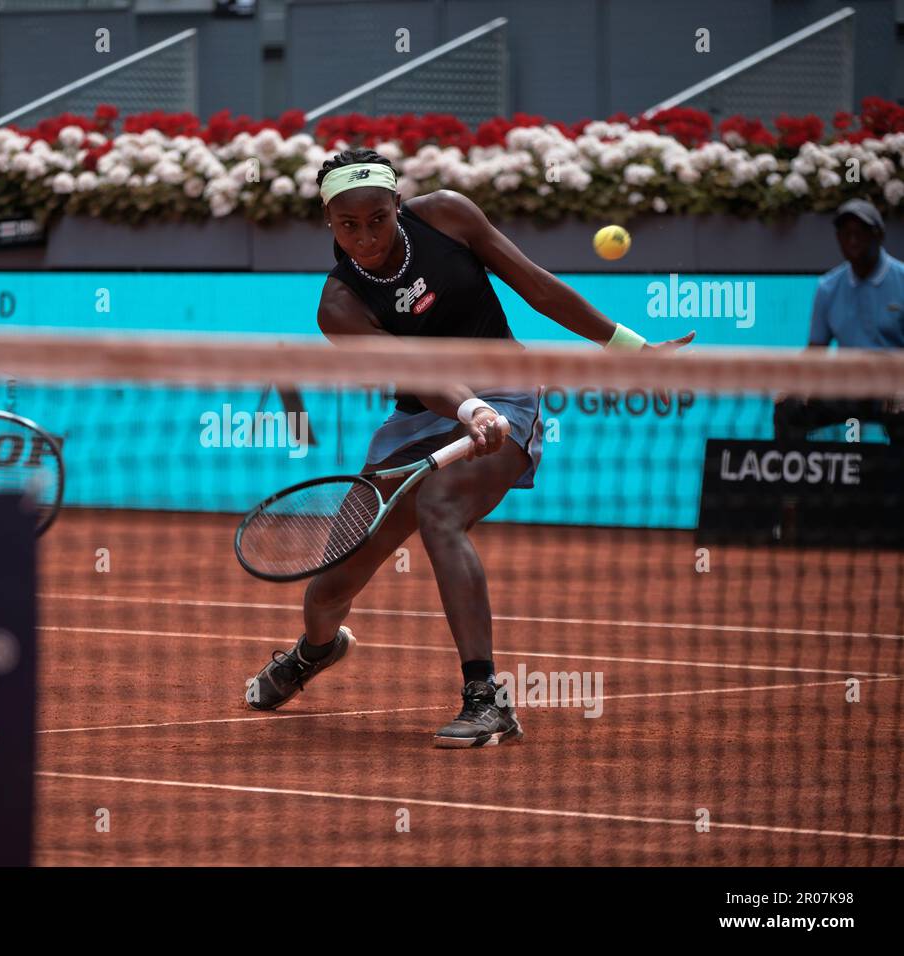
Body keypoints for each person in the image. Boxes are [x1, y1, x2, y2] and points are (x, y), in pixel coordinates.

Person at [243, 149, 693, 747]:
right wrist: (465, 409)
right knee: (331, 587)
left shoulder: (448, 217)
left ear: (398, 204)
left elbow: (535, 286)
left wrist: (632, 350)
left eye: (377, 218)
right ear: (330, 221)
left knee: (440, 512)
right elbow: (417, 376)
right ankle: (313, 653)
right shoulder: (339, 305)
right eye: (348, 225)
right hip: (420, 418)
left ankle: (486, 698)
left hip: (506, 393)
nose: (365, 236)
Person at [773, 198, 904, 444]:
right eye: (845, 234)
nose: (852, 241)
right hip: (847, 386)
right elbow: (816, 351)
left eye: (860, 233)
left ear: (878, 235)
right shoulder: (828, 287)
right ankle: (792, 480)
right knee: (789, 407)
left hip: (894, 385)